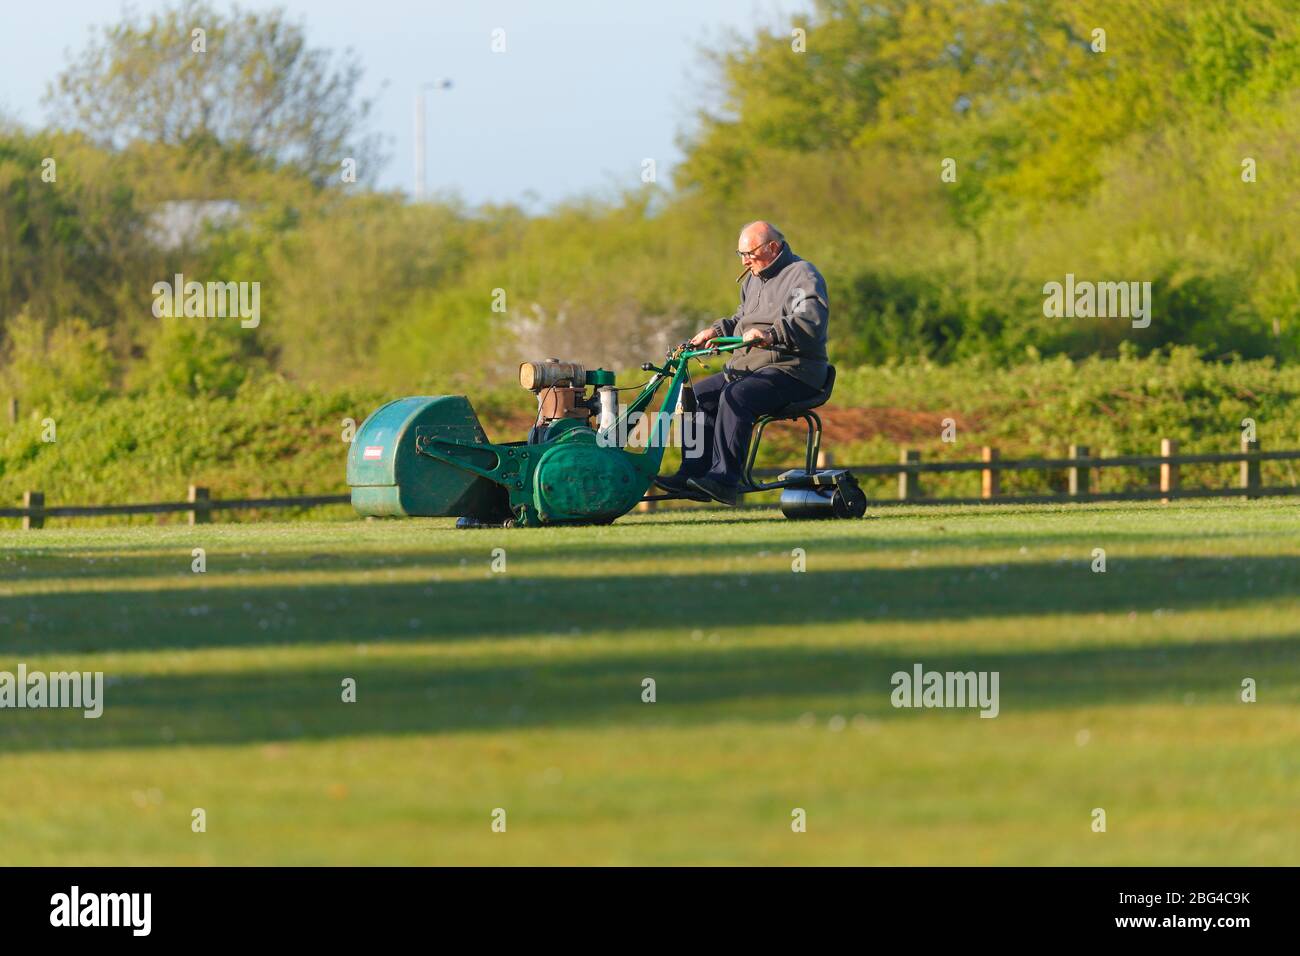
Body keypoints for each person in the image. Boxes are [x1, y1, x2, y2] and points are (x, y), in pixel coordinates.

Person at [657, 221, 831, 505]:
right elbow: (741, 321)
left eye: (750, 253)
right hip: (749, 368)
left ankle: (724, 479)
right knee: (697, 396)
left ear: (773, 247)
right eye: (740, 254)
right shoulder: (752, 279)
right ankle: (693, 474)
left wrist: (771, 334)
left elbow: (809, 321)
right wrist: (715, 332)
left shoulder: (802, 275)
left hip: (794, 371)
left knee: (736, 395)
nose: (745, 260)